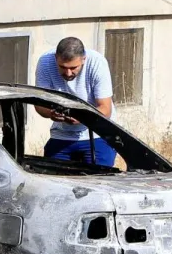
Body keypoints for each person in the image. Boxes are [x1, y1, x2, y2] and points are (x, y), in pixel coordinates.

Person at [32, 36, 116, 167]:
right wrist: (51, 113)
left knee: (99, 182)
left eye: (73, 67)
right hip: (61, 135)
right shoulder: (45, 62)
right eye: (62, 67)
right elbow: (39, 105)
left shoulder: (97, 62)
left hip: (97, 134)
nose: (68, 73)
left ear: (84, 59)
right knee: (53, 180)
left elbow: (105, 109)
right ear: (55, 58)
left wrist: (82, 117)